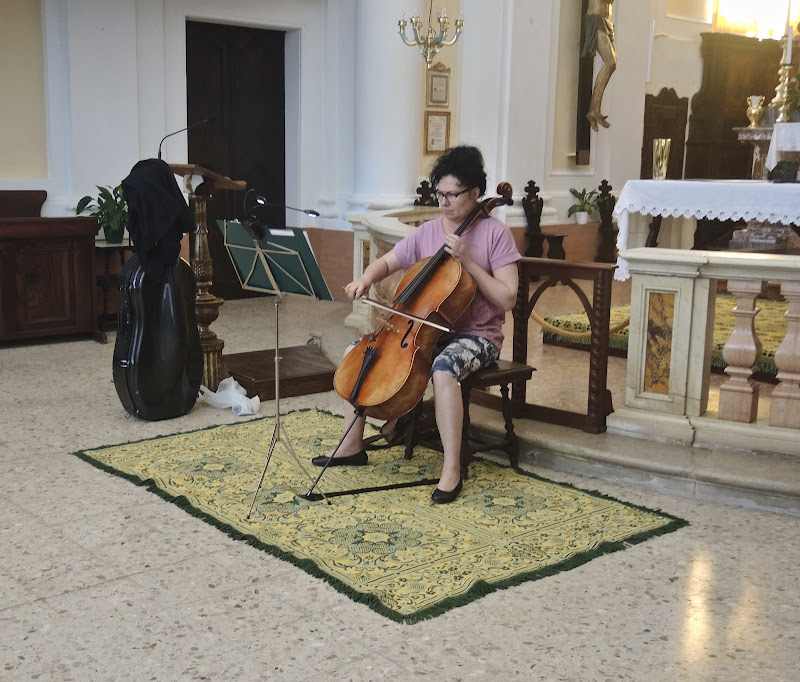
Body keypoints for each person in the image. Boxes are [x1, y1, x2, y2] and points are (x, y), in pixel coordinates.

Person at [311, 146, 521, 504]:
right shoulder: (427, 232)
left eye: (453, 194)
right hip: (426, 331)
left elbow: (507, 299)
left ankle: (451, 468)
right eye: (440, 193)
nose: (444, 202)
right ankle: (351, 445)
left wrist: (468, 262)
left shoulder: (495, 235)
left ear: (474, 193)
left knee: (443, 369)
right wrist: (364, 279)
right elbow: (389, 261)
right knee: (358, 352)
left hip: (477, 336)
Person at [582, 0, 616, 132]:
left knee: (613, 64)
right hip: (596, 19)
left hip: (606, 20)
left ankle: (593, 110)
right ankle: (595, 109)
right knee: (610, 62)